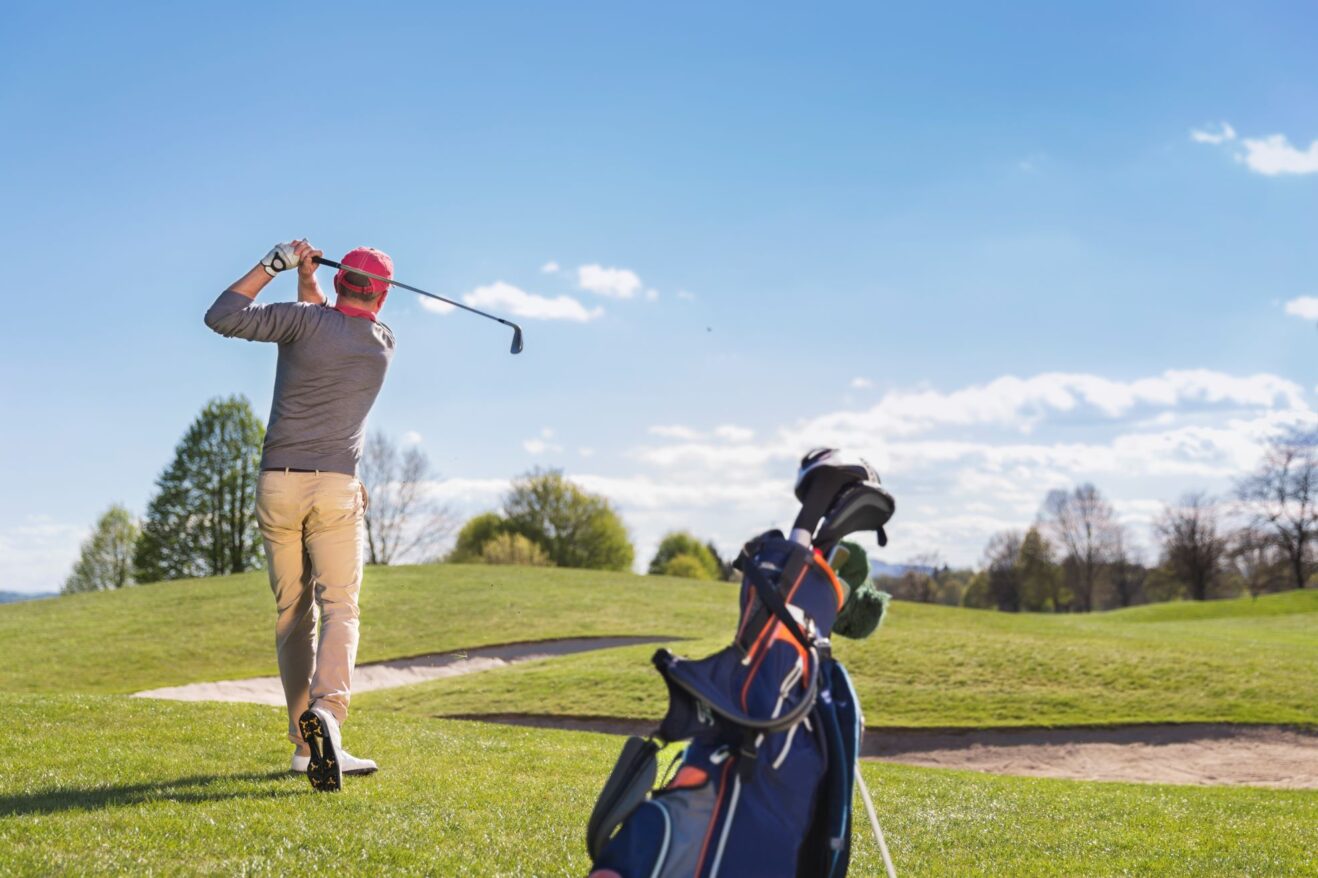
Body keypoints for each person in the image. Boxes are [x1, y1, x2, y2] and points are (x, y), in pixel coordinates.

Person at [204, 240, 396, 792]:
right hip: (335, 487)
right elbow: (327, 321)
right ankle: (328, 719)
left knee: (294, 612)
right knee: (340, 606)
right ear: (381, 294)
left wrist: (277, 265)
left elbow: (222, 315)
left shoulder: (300, 322)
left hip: (278, 485)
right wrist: (310, 286)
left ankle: (303, 743)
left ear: (339, 283)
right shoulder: (381, 343)